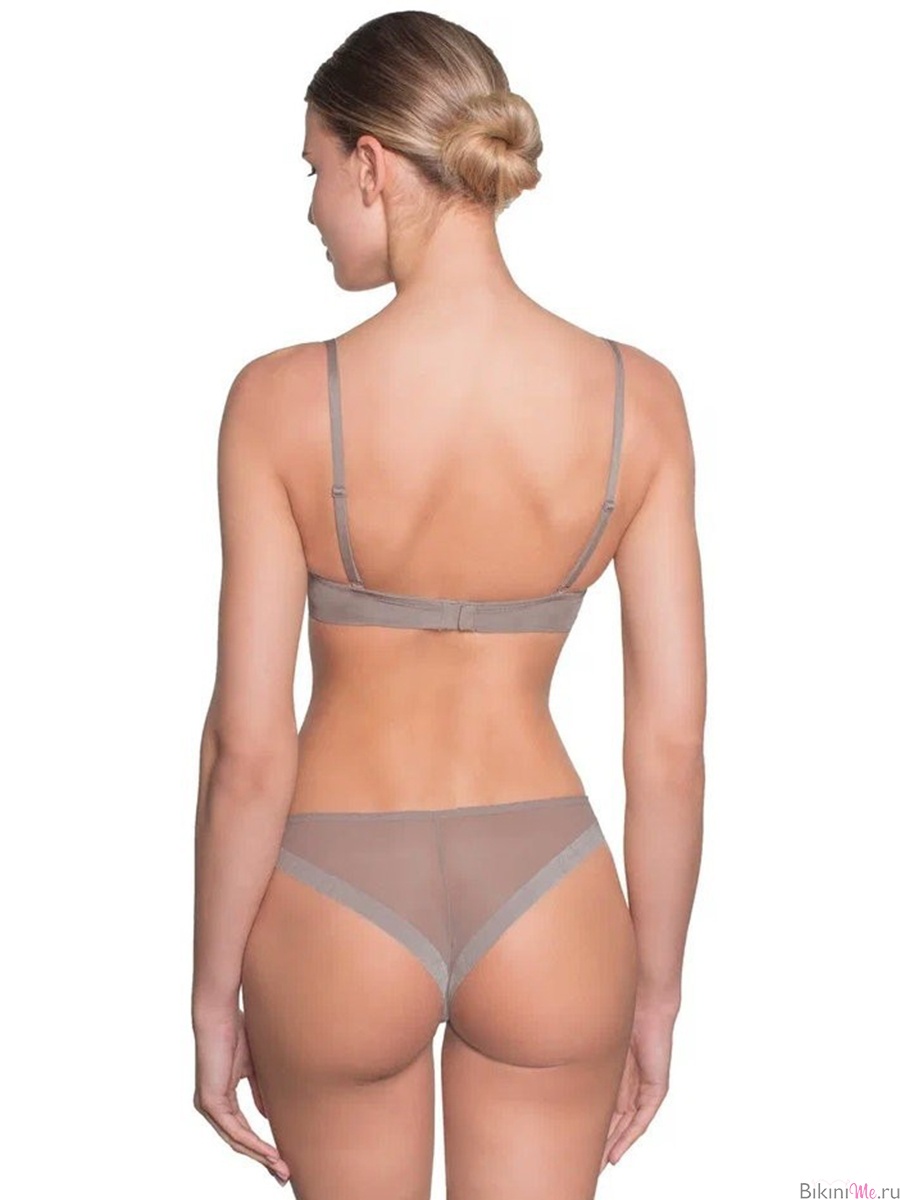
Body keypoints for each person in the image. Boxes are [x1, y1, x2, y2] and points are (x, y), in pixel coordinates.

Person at [191, 10, 706, 1197]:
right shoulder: (639, 400)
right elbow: (671, 746)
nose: (312, 209)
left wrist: (214, 997)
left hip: (332, 899)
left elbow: (249, 748)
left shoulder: (279, 401)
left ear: (372, 164)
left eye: (315, 171)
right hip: (553, 898)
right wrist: (656, 991)